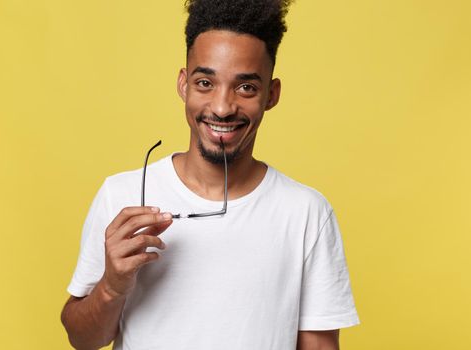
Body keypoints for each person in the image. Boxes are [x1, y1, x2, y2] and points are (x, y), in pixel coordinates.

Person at [61, 0, 359, 349]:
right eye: (205, 83)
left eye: (245, 87)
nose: (222, 107)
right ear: (184, 85)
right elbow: (81, 339)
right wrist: (111, 286)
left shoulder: (306, 212)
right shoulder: (122, 194)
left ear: (271, 95)